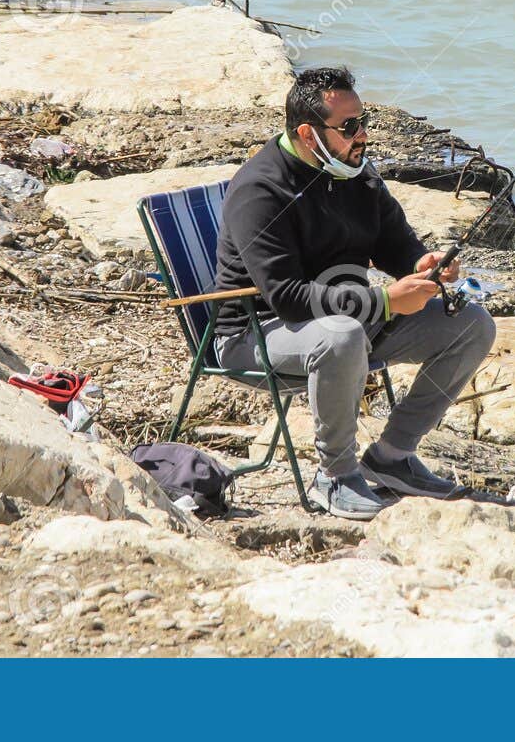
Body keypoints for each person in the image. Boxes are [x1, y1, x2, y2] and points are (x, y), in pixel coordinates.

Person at [213, 67, 497, 520]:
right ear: (308, 133)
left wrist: (422, 265)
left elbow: (394, 242)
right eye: (349, 127)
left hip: (350, 321)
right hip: (256, 333)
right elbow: (285, 296)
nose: (362, 135)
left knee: (471, 324)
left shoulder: (356, 173)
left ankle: (392, 457)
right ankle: (335, 476)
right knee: (341, 336)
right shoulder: (260, 190)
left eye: (364, 122)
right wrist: (385, 301)